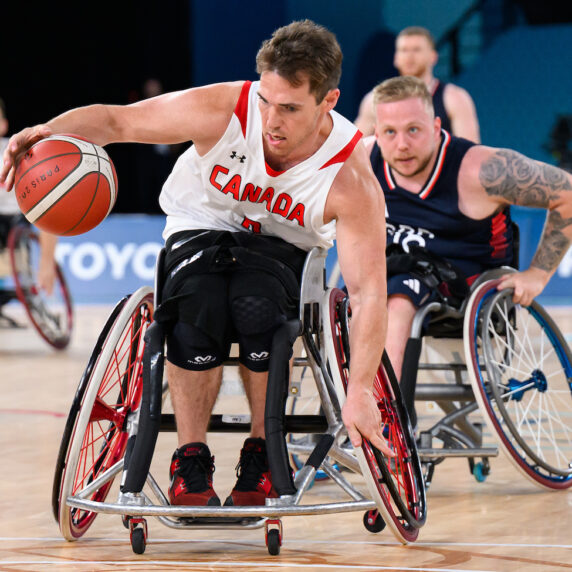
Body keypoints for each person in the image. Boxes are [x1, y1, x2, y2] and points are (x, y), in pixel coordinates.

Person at [1, 20, 391, 507]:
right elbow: (119, 121)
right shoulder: (224, 108)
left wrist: (361, 390)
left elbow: (370, 292)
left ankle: (262, 451)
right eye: (266, 101)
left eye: (290, 108)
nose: (271, 121)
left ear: (328, 102)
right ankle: (190, 457)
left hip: (281, 245)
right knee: (195, 310)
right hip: (200, 223)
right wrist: (46, 131)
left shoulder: (349, 178)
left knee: (258, 311)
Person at [365, 75, 572, 404]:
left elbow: (566, 192)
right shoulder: (363, 160)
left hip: (466, 285)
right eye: (390, 132)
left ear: (435, 127)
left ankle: (385, 419)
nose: (401, 144)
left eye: (413, 130)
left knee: (399, 294)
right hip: (396, 271)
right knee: (353, 294)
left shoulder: (482, 170)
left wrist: (539, 274)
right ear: (377, 133)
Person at [355, 26, 480, 142]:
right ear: (396, 58)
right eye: (404, 50)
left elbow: (471, 154)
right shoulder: (374, 100)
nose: (409, 56)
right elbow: (351, 150)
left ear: (433, 56)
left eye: (416, 50)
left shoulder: (454, 98)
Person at [0, 97, 58, 297]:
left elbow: (48, 204)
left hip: (15, 223)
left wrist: (47, 261)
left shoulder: (19, 153)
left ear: (3, 125)